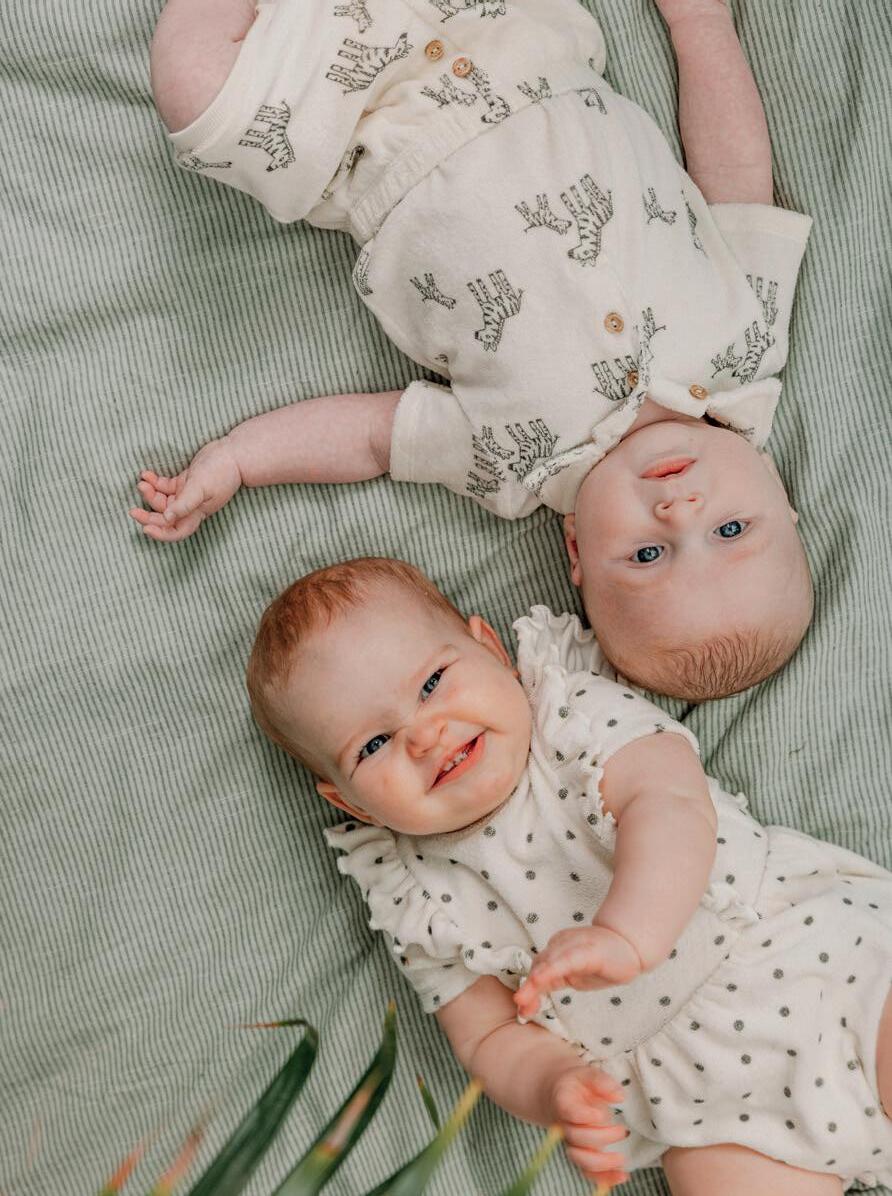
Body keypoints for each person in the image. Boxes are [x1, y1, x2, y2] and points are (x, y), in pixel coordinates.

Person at [134, 0, 815, 700]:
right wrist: (700, 28)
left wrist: (240, 460)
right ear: (778, 493)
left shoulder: (513, 464)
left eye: (647, 553)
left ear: (576, 549)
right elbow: (736, 176)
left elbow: (372, 437)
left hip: (358, 123)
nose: (682, 512)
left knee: (196, 94)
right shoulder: (751, 342)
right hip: (517, 34)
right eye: (731, 528)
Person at [245, 556, 892, 1195]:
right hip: (704, 1107)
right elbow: (488, 1038)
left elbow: (671, 805)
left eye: (432, 683)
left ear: (490, 649)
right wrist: (553, 1086)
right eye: (373, 745)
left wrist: (628, 935)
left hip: (810, 960)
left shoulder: (571, 715)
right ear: (351, 803)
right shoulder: (411, 896)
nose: (423, 735)